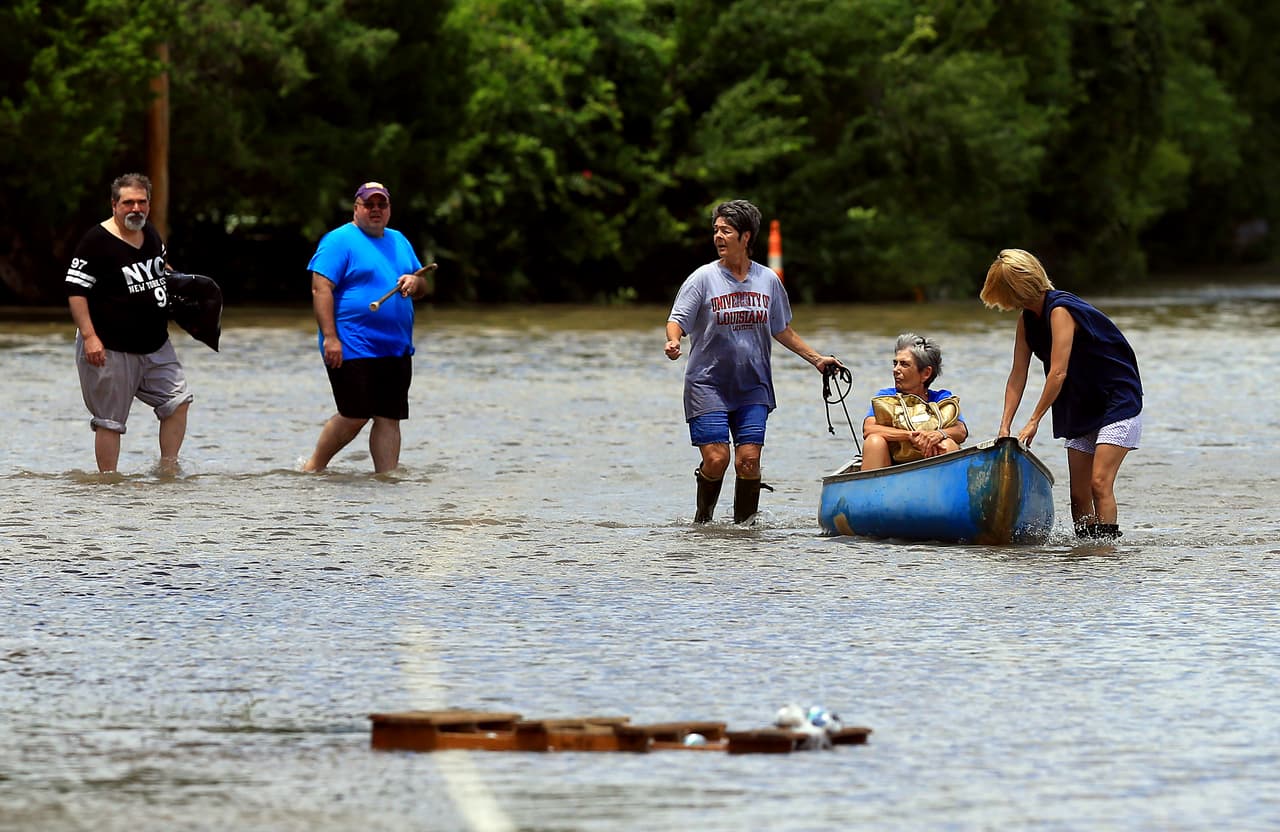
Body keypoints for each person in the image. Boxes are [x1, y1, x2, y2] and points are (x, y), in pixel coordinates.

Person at [665, 199, 843, 523]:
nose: (718, 237)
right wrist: (674, 340)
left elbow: (782, 329)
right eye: (716, 230)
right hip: (708, 383)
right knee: (717, 458)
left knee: (748, 461)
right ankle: (702, 521)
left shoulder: (768, 281)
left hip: (753, 385)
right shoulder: (703, 279)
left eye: (726, 231)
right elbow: (677, 319)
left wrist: (817, 359)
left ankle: (744, 530)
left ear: (746, 237)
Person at [980, 248, 1143, 539]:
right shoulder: (1026, 321)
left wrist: (1033, 420)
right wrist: (1004, 425)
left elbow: (1058, 372)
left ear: (1018, 287)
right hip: (1079, 404)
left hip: (1116, 400)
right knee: (1079, 495)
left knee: (1099, 483)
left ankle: (1104, 554)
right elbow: (1017, 375)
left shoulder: (1060, 310)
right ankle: (1084, 556)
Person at [65, 173, 192, 475]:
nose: (136, 208)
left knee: (178, 400)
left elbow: (161, 268)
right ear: (114, 205)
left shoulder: (150, 233)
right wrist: (90, 336)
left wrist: (184, 287)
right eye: (128, 202)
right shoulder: (95, 241)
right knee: (110, 421)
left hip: (155, 343)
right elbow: (76, 291)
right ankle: (108, 482)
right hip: (110, 345)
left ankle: (167, 470)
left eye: (142, 202)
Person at [303, 181, 430, 473]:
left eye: (381, 204)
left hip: (395, 346)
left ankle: (386, 478)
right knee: (355, 414)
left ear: (388, 209)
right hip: (352, 344)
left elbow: (422, 285)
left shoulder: (399, 240)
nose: (375, 210)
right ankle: (313, 468)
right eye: (368, 204)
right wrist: (331, 338)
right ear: (356, 208)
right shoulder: (339, 241)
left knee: (389, 416)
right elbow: (320, 289)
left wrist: (415, 282)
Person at [860, 333, 967, 471]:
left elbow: (961, 431)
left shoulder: (942, 399)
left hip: (931, 457)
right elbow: (869, 429)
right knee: (874, 441)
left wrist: (938, 434)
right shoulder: (885, 397)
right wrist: (910, 436)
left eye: (904, 364)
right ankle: (872, 489)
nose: (895, 370)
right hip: (893, 461)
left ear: (925, 373)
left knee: (948, 444)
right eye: (895, 363)